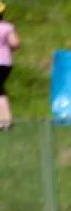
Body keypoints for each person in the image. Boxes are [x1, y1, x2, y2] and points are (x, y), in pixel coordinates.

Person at [0, 2, 20, 130]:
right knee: (0, 90)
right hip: (5, 64)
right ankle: (6, 120)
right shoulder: (8, 27)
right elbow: (15, 43)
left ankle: (4, 121)